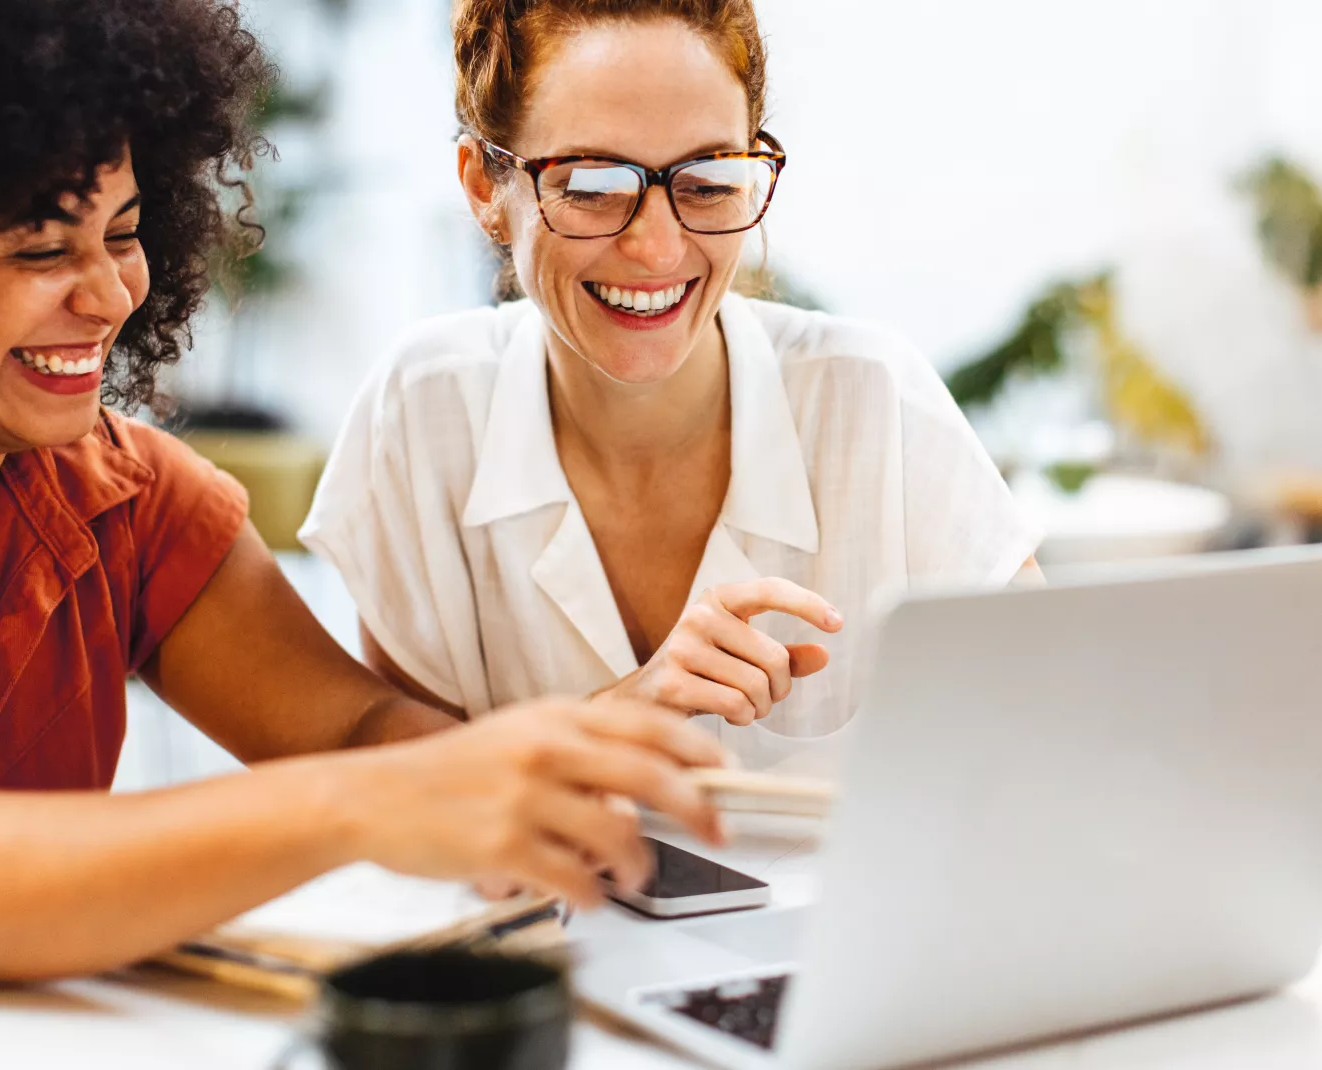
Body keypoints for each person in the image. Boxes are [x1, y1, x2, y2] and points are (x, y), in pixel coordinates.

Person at [0, 2, 728, 1063]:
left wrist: (560, 752)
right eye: (42, 247)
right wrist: (365, 803)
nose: (108, 294)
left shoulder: (125, 501)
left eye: (127, 233)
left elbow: (355, 728)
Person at [302, 0, 1041, 774]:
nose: (657, 250)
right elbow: (405, 813)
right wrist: (622, 715)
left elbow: (1069, 746)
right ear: (485, 187)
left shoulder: (873, 402)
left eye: (710, 181)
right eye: (590, 185)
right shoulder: (425, 412)